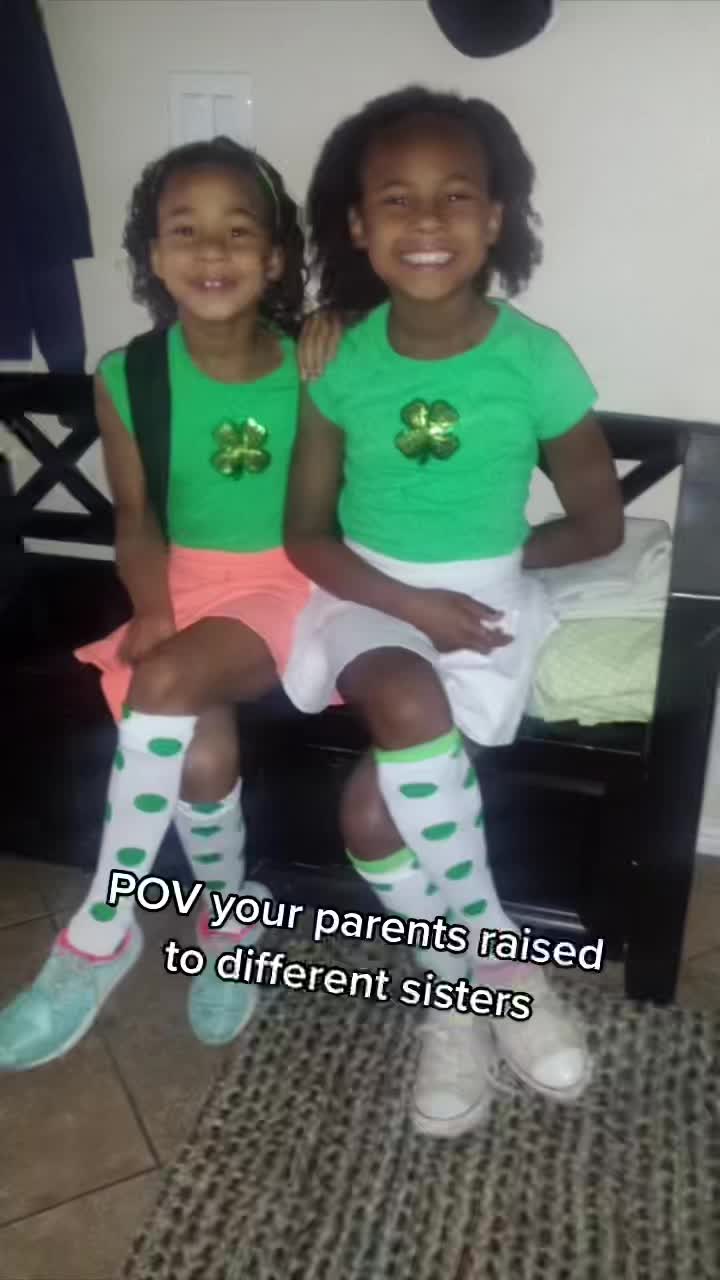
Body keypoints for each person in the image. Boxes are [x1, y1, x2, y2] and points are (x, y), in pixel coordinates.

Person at [283, 86, 624, 1138]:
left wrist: (485, 577)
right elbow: (306, 536)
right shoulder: (337, 359)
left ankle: (452, 984)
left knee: (368, 819)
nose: (427, 219)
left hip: (483, 610)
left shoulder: (536, 358)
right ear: (358, 224)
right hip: (361, 596)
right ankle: (504, 969)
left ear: (494, 217)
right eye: (397, 197)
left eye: (455, 195)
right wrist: (408, 601)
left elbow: (600, 522)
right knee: (402, 689)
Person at [0, 136, 320, 1070]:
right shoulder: (129, 375)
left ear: (275, 258)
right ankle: (230, 926)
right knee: (202, 758)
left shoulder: (316, 366)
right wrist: (153, 609)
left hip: (287, 581)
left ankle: (99, 934)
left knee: (169, 682)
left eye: (237, 231)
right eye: (185, 230)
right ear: (153, 254)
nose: (211, 250)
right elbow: (136, 517)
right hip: (179, 583)